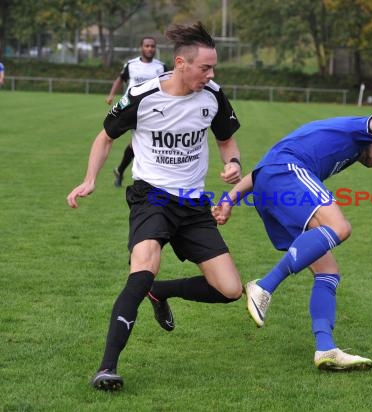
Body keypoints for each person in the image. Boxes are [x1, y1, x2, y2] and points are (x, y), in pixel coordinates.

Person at [67, 22, 244, 391]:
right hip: (152, 196)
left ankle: (161, 291)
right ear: (181, 63)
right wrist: (89, 180)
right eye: (205, 68)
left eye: (213, 68)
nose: (211, 75)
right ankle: (107, 368)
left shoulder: (213, 95)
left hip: (194, 204)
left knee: (230, 289)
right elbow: (105, 138)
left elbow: (227, 140)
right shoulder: (142, 95)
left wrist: (234, 164)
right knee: (143, 265)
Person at [212, 114, 372, 371]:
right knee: (339, 227)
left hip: (270, 181)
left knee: (328, 272)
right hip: (287, 171)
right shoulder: (361, 128)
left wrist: (229, 200)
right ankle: (264, 285)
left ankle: (326, 348)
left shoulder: (342, 149)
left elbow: (261, 172)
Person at [106, 37, 168, 188]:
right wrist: (111, 95)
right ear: (141, 47)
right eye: (147, 46)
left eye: (152, 46)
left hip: (153, 109)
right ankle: (140, 175)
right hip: (132, 108)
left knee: (141, 142)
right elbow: (120, 79)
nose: (150, 49)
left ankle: (121, 171)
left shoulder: (161, 67)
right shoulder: (131, 65)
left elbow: (169, 85)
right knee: (138, 141)